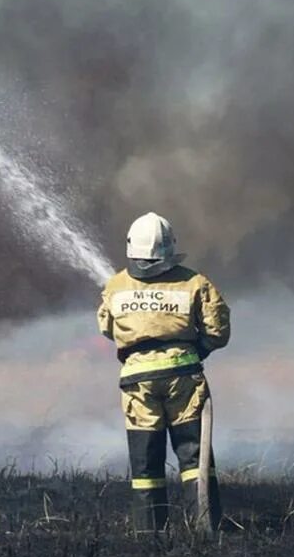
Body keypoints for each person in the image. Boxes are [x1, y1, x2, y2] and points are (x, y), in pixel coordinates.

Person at [97, 212, 230, 533]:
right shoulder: (194, 282)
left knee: (145, 463)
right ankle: (205, 529)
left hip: (137, 383)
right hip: (183, 379)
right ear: (171, 247)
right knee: (194, 456)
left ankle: (149, 534)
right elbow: (218, 330)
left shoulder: (116, 285)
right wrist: (197, 350)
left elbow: (106, 328)